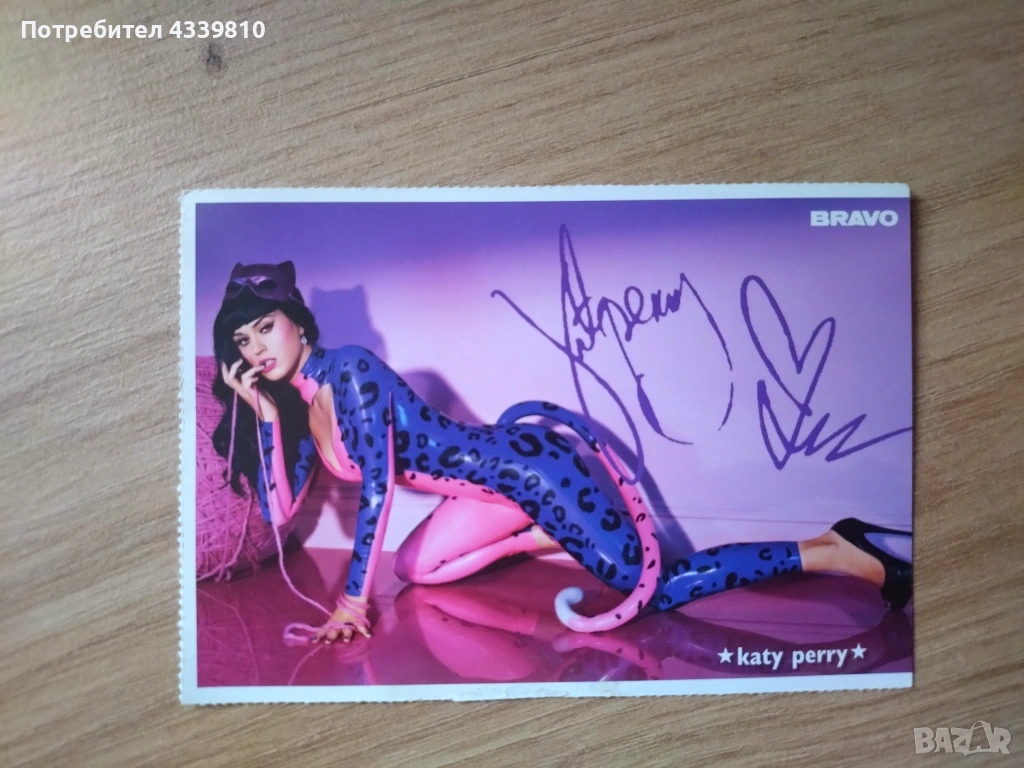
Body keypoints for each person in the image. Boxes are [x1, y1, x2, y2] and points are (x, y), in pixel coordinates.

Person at [211, 261, 912, 644]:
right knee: (417, 569)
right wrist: (266, 416)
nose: (258, 347)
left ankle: (831, 550)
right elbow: (278, 512)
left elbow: (378, 492)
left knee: (647, 586)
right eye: (244, 340)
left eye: (266, 327)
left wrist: (352, 603)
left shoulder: (353, 371)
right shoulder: (300, 408)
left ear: (298, 322)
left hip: (528, 469)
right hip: (484, 494)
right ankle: (541, 535)